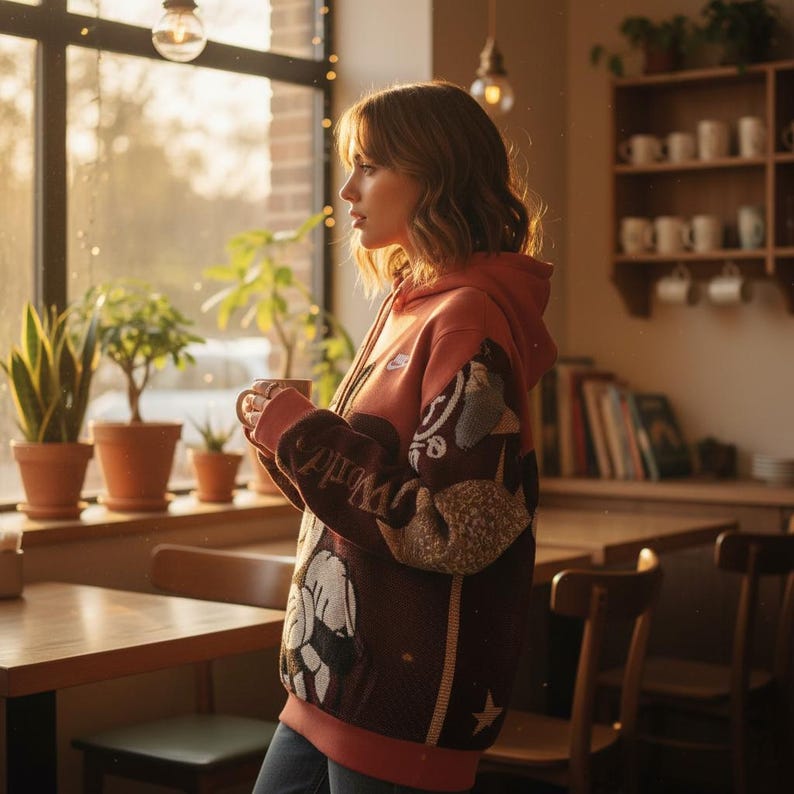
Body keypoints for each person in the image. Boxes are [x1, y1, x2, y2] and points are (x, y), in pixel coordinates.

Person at [238, 79, 557, 794]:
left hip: (402, 707)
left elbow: (455, 527)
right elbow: (369, 502)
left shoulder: (466, 318)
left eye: (370, 166)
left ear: (435, 177)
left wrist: (307, 436)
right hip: (333, 686)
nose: (347, 190)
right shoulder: (406, 309)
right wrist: (283, 438)